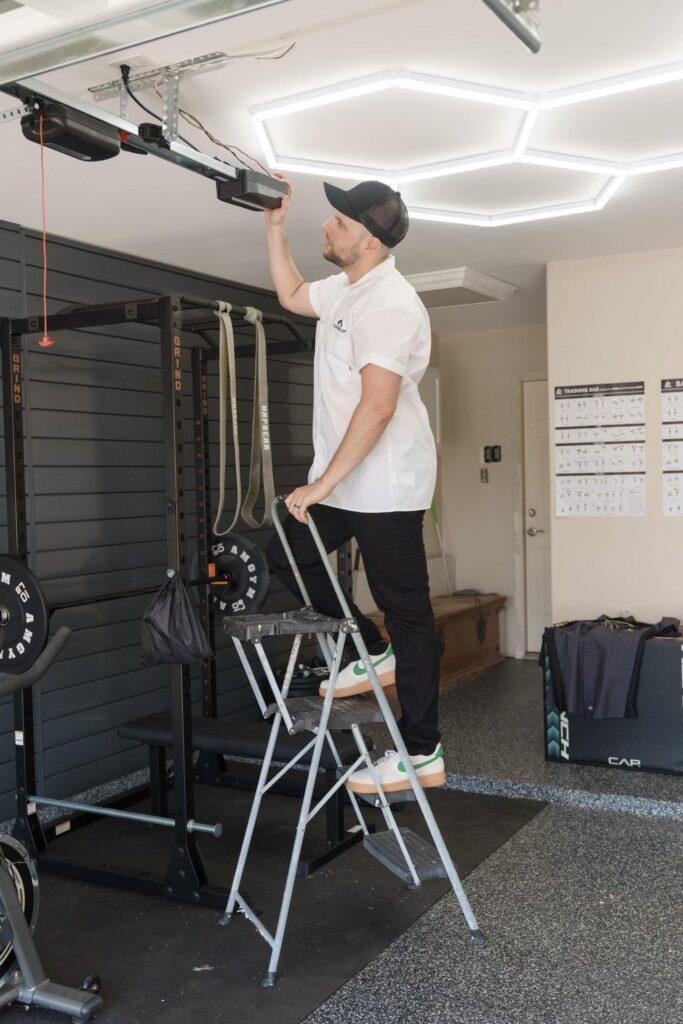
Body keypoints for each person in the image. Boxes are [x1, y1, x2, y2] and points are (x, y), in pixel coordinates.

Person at [264, 174, 443, 793]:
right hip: (343, 481)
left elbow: (378, 407)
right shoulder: (346, 288)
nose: (327, 225)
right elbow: (289, 294)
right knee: (286, 547)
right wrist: (274, 226)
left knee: (410, 613)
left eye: (338, 221)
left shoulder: (391, 305)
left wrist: (319, 485)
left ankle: (421, 752)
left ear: (368, 241)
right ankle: (370, 650)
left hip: (387, 485)